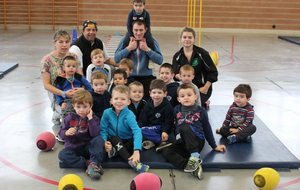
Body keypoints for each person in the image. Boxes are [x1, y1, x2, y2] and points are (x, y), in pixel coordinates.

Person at [160, 83, 226, 180]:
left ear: (195, 96)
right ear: (178, 99)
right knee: (165, 151)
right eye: (182, 96)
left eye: (189, 95)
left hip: (197, 141)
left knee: (185, 126)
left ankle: (195, 156)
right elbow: (175, 126)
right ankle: (191, 166)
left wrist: (214, 146)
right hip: (182, 142)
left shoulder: (201, 111)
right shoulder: (176, 109)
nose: (186, 98)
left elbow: (207, 128)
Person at [100, 85, 149, 173]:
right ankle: (133, 163)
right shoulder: (106, 113)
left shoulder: (129, 115)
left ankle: (115, 152)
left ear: (128, 102)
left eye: (123, 99)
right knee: (116, 139)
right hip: (113, 139)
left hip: (126, 140)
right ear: (111, 100)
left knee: (140, 136)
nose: (119, 101)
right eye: (116, 98)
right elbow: (103, 129)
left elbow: (137, 131)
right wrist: (104, 142)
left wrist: (136, 150)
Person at [41, 29, 82, 133]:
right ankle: (57, 114)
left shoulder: (74, 57)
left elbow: (80, 77)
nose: (64, 45)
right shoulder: (47, 61)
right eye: (60, 42)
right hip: (57, 93)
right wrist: (64, 94)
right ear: (54, 43)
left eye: (67, 42)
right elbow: (46, 85)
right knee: (67, 112)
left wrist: (80, 90)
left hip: (73, 89)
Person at [58, 89, 105, 180]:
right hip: (73, 148)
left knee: (99, 140)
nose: (81, 110)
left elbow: (95, 134)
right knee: (62, 155)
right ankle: (89, 164)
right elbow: (61, 133)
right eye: (78, 107)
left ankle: (94, 163)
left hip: (88, 147)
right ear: (73, 106)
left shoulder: (94, 118)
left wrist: (90, 118)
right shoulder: (68, 118)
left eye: (85, 106)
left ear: (90, 106)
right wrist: (66, 133)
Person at [115, 20, 163, 100]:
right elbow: (117, 58)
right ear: (132, 30)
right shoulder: (125, 40)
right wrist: (129, 48)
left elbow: (160, 60)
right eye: (136, 30)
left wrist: (147, 49)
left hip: (147, 78)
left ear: (146, 30)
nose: (138, 33)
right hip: (130, 77)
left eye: (141, 30)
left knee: (145, 104)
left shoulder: (151, 41)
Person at [172, 27, 218, 109]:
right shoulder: (177, 56)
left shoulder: (202, 53)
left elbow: (213, 72)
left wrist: (205, 88)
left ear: (194, 39)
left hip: (201, 88)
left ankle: (205, 102)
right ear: (181, 39)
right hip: (185, 88)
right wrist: (177, 76)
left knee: (195, 106)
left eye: (190, 37)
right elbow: (175, 74)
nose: (187, 39)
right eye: (184, 37)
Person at [138, 79, 174, 151]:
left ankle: (161, 141)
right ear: (150, 93)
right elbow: (143, 119)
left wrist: (165, 131)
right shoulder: (148, 104)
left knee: (141, 130)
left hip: (160, 128)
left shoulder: (167, 106)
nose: (156, 95)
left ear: (165, 94)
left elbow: (168, 122)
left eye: (159, 93)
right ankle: (153, 142)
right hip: (150, 128)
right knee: (137, 129)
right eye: (154, 92)